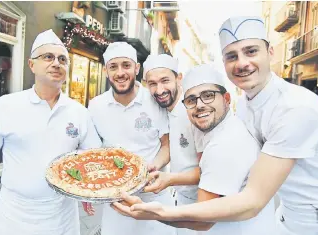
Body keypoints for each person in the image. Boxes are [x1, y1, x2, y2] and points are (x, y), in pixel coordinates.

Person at [111, 16, 318, 235]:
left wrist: (161, 213)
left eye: (251, 51)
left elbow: (252, 200)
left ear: (270, 52)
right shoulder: (245, 105)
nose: (242, 63)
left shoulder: (295, 109)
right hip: (285, 215)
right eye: (232, 56)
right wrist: (171, 180)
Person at [113, 64, 276, 234]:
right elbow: (208, 171)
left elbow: (203, 221)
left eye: (208, 96)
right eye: (191, 100)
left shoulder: (223, 145)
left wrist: (150, 213)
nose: (199, 105)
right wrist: (169, 179)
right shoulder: (221, 129)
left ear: (227, 99)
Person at [0, 29, 102, 235]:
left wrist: (87, 192)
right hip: (15, 216)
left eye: (63, 59)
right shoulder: (6, 106)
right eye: (48, 57)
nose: (56, 63)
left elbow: (92, 158)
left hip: (63, 217)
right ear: (31, 64)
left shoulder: (79, 112)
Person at [88, 42, 175, 235]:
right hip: (116, 200)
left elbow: (167, 146)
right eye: (113, 66)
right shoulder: (95, 106)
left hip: (154, 195)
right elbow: (93, 152)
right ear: (105, 71)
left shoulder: (154, 100)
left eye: (126, 65)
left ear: (137, 68)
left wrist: (152, 166)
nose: (120, 72)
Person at [142, 54, 201, 235]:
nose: (159, 90)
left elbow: (210, 170)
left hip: (203, 204)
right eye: (152, 83)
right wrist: (153, 167)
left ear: (179, 78)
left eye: (165, 81)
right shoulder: (164, 112)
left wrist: (170, 180)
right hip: (180, 201)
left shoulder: (195, 113)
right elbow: (169, 147)